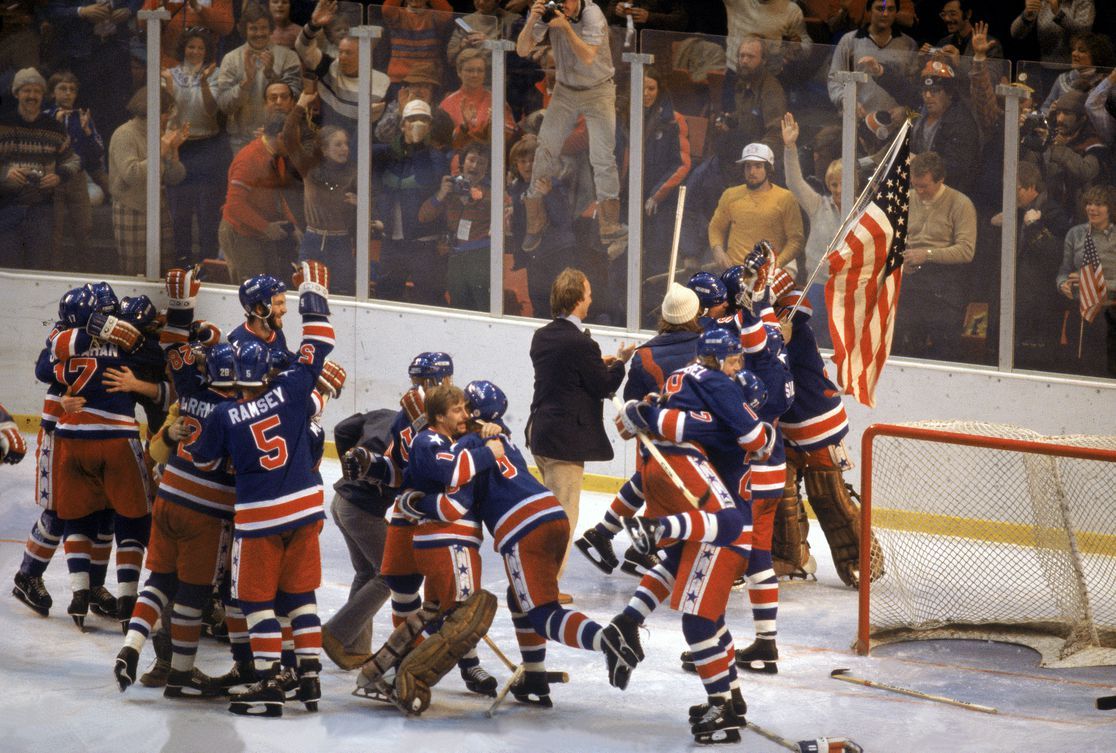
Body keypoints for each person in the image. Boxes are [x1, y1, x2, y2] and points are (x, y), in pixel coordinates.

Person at [404, 381, 642, 704]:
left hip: (523, 529)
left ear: (474, 413)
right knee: (518, 598)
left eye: (464, 408)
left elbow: (454, 502)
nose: (461, 415)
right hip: (552, 515)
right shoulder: (502, 437)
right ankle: (534, 677)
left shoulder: (468, 447)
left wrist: (416, 500)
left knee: (543, 613)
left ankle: (608, 640)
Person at [188, 260, 334, 718]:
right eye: (278, 302)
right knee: (300, 597)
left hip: (259, 514)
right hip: (306, 504)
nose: (283, 309)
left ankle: (268, 680)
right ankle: (308, 677)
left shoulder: (225, 414)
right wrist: (314, 295)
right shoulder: (290, 387)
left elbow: (204, 458)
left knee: (252, 599)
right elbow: (319, 346)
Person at [573, 283, 701, 577]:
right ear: (695, 314)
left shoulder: (645, 355)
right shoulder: (706, 348)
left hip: (652, 437)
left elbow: (631, 402)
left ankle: (605, 535)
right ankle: (642, 548)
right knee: (671, 491)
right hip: (692, 435)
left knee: (647, 481)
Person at [526, 268, 634, 597]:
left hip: (541, 433)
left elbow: (568, 370)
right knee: (564, 517)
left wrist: (595, 361)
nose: (591, 299)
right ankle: (546, 589)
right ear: (576, 300)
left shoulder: (542, 336)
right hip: (565, 442)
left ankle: (539, 581)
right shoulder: (581, 343)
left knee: (549, 514)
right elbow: (603, 386)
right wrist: (620, 364)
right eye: (587, 294)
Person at [516, 0, 628, 258]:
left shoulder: (592, 13)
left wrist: (565, 27)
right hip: (565, 90)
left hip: (598, 89)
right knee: (545, 148)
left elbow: (588, 57)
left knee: (602, 157)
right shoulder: (550, 10)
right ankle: (535, 218)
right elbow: (522, 50)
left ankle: (609, 224)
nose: (562, 4)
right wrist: (532, 20)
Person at [322, 408, 395, 669]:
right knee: (391, 574)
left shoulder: (384, 414)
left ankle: (354, 648)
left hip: (341, 501)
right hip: (361, 510)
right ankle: (336, 633)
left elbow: (342, 428)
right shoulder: (413, 438)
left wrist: (349, 469)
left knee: (366, 572)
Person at [892, 150, 978, 361]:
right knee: (904, 347)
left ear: (940, 180)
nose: (919, 191)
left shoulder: (960, 203)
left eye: (924, 186)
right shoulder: (906, 199)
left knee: (944, 350)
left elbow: (966, 250)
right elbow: (891, 238)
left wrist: (928, 254)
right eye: (915, 185)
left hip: (944, 287)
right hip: (911, 284)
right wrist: (902, 259)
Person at [0, 67, 81, 270]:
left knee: (39, 268)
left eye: (37, 91)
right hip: (6, 208)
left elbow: (73, 160)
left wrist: (59, 176)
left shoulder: (54, 127)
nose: (32, 96)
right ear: (16, 93)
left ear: (43, 95)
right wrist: (4, 174)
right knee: (8, 269)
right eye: (26, 90)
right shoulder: (3, 124)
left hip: (41, 209)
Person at [372, 99, 450, 304]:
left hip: (424, 244)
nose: (418, 124)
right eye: (412, 119)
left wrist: (418, 146)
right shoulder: (386, 154)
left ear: (430, 127)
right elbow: (359, 161)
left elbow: (426, 182)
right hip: (391, 242)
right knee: (385, 299)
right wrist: (368, 122)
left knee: (429, 300)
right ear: (402, 124)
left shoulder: (437, 157)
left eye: (424, 120)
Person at [163, 29, 229, 269]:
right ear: (183, 48)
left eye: (200, 48)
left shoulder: (216, 74)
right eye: (191, 46)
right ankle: (182, 266)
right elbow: (168, 113)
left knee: (208, 213)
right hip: (179, 148)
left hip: (208, 147)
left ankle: (207, 266)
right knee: (179, 212)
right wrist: (170, 88)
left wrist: (203, 83)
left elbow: (211, 111)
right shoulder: (168, 75)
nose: (195, 52)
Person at [282, 90, 358, 294]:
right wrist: (300, 105)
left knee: (343, 293)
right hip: (313, 240)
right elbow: (288, 138)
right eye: (338, 144)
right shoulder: (309, 167)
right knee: (308, 291)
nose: (344, 149)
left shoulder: (354, 172)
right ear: (323, 150)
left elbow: (373, 201)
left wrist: (360, 203)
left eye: (346, 144)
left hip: (341, 241)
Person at [108, 87, 186, 277]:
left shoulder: (157, 134)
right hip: (132, 209)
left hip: (158, 207)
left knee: (165, 269)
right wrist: (160, 151)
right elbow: (132, 174)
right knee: (136, 272)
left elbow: (175, 178)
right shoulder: (124, 134)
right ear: (152, 112)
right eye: (166, 113)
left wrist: (174, 151)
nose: (169, 118)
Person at [781, 111, 841, 346]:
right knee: (813, 343)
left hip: (848, 289)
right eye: (833, 184)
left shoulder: (862, 212)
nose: (838, 189)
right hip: (818, 287)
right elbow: (794, 182)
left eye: (843, 183)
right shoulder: (818, 205)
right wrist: (790, 147)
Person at [219, 113, 301, 284]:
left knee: (270, 284)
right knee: (253, 289)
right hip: (241, 232)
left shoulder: (275, 156)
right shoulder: (249, 159)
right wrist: (266, 227)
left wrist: (293, 225)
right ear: (281, 137)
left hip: (259, 230)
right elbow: (234, 205)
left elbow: (278, 195)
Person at [215, 2, 303, 153]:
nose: (259, 33)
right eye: (253, 28)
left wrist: (271, 75)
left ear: (271, 28)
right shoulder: (230, 59)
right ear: (244, 30)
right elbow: (224, 105)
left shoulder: (289, 57)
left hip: (280, 139)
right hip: (241, 142)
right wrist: (246, 82)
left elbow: (295, 98)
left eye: (263, 28)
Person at [297, 0, 390, 138]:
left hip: (362, 141)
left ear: (364, 55)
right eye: (341, 52)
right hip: (326, 139)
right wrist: (314, 24)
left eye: (348, 53)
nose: (342, 57)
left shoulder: (382, 82)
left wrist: (371, 119)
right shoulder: (328, 66)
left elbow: (383, 132)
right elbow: (302, 48)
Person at [707, 142, 805, 273]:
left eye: (758, 166)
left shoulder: (785, 198)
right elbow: (716, 227)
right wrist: (718, 250)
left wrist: (776, 264)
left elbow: (796, 240)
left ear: (769, 169)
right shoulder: (730, 195)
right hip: (735, 270)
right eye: (748, 166)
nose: (752, 172)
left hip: (771, 272)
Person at [418, 142, 492, 311]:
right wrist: (442, 193)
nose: (475, 166)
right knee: (459, 307)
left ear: (487, 168)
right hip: (455, 256)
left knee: (483, 308)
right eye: (471, 160)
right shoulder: (452, 187)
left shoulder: (493, 191)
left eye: (481, 163)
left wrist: (478, 196)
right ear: (462, 162)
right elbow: (423, 216)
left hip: (481, 255)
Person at [45, 71, 105, 273]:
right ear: (52, 92)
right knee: (55, 231)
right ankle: (54, 272)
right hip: (53, 178)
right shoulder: (45, 116)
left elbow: (97, 152)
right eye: (62, 89)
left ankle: (87, 272)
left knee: (84, 228)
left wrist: (87, 132)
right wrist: (55, 123)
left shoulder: (82, 117)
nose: (68, 93)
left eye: (72, 89)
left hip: (77, 178)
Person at [1056, 183, 1116, 377]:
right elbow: (1064, 270)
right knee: (1079, 368)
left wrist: (1091, 281)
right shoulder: (1075, 234)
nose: (1092, 208)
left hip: (1109, 313)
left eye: (1099, 204)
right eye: (1089, 203)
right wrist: (1062, 284)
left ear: (1110, 208)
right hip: (1080, 312)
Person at [827, 0, 919, 118]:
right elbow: (835, 78)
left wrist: (906, 109)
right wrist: (846, 100)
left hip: (894, 121)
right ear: (869, 11)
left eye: (890, 9)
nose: (885, 14)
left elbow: (915, 86)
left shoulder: (908, 44)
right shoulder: (849, 40)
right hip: (856, 119)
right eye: (880, 8)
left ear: (896, 12)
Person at [910, 60, 981, 200]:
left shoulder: (962, 123)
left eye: (935, 91)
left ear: (949, 93)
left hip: (951, 194)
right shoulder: (921, 113)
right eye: (925, 91)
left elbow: (957, 167)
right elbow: (902, 89)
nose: (928, 96)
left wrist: (918, 162)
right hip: (919, 187)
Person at [713, 37, 785, 158]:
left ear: (763, 60)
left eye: (751, 57)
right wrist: (729, 120)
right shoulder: (742, 83)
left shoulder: (771, 90)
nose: (745, 61)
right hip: (742, 150)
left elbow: (776, 134)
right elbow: (748, 115)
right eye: (742, 56)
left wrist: (753, 157)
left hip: (758, 158)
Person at [439, 48, 517, 151]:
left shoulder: (496, 101)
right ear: (459, 72)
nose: (475, 75)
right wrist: (464, 127)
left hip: (490, 158)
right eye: (469, 70)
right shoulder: (447, 104)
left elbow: (510, 138)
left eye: (480, 70)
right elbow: (443, 144)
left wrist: (494, 125)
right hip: (457, 158)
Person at [140, 0, 235, 69]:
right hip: (168, 64)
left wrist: (199, 8)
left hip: (202, 66)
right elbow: (143, 23)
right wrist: (161, 5)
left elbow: (226, 27)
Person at [1010, 0, 1095, 66]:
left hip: (1073, 66)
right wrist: (1027, 14)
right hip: (1045, 64)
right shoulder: (1044, 2)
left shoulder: (1083, 2)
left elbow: (1084, 31)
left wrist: (1058, 13)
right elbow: (1015, 33)